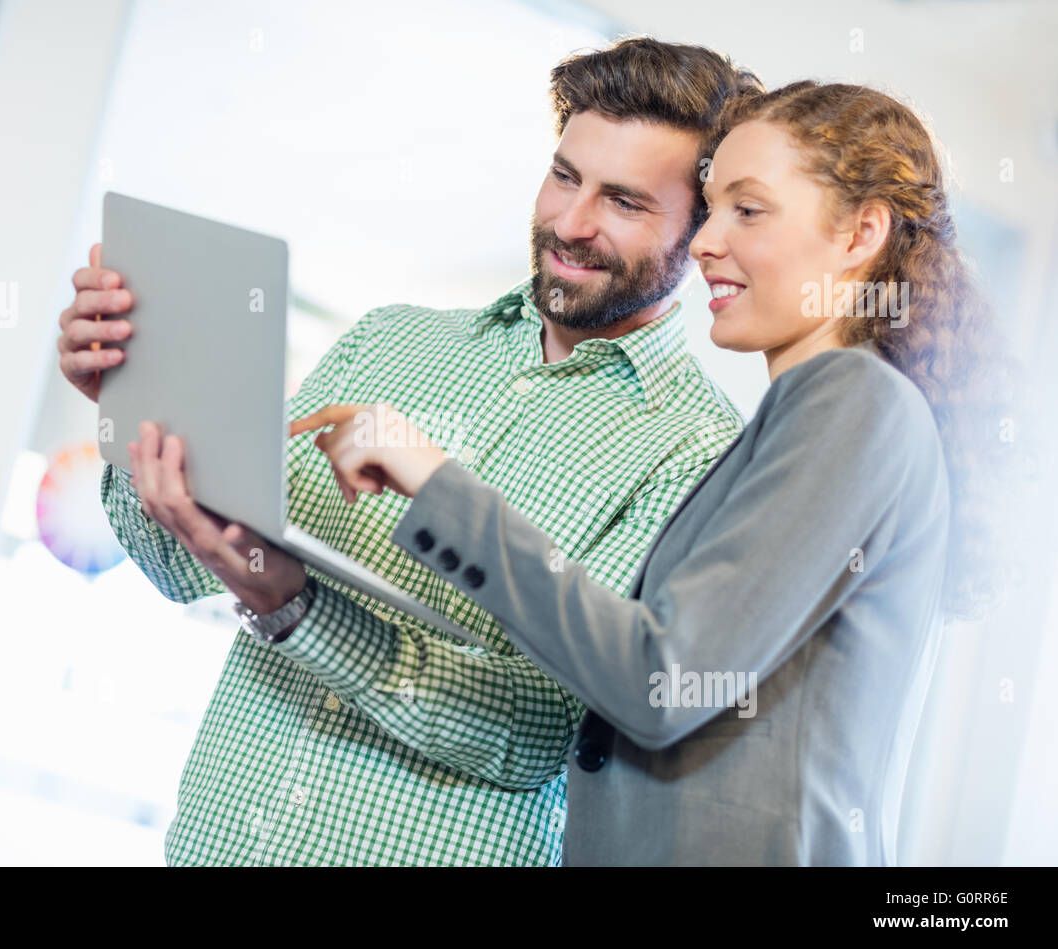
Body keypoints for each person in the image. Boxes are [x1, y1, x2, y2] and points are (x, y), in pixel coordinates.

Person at [56, 37, 761, 865]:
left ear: (704, 229)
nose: (571, 223)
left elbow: (537, 730)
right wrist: (139, 411)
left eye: (626, 202)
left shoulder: (699, 455)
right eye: (565, 176)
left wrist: (297, 608)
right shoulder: (388, 340)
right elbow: (179, 568)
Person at [295, 81, 1003, 864]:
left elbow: (663, 679)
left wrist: (436, 483)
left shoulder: (852, 398)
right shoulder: (807, 415)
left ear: (859, 233)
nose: (704, 240)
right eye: (711, 207)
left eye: (748, 209)